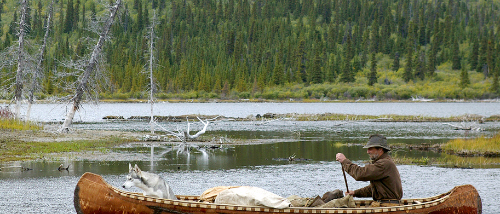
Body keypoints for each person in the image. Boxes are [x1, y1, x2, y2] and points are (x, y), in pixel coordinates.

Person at [335, 134, 403, 204]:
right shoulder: (384, 162)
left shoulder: (384, 164)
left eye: (370, 148)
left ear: (380, 149)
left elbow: (360, 174)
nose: (367, 152)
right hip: (386, 203)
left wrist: (345, 161)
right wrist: (355, 193)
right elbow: (375, 189)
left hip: (389, 206)